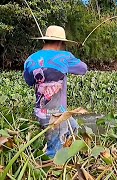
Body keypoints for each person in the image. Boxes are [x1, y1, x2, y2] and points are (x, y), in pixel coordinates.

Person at [23, 25, 87, 158]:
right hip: (56, 116)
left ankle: (66, 156)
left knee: (73, 127)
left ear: (45, 41)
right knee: (54, 153)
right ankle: (53, 171)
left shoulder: (30, 59)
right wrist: (74, 58)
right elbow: (83, 69)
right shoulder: (64, 57)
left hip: (41, 113)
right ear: (60, 43)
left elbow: (29, 81)